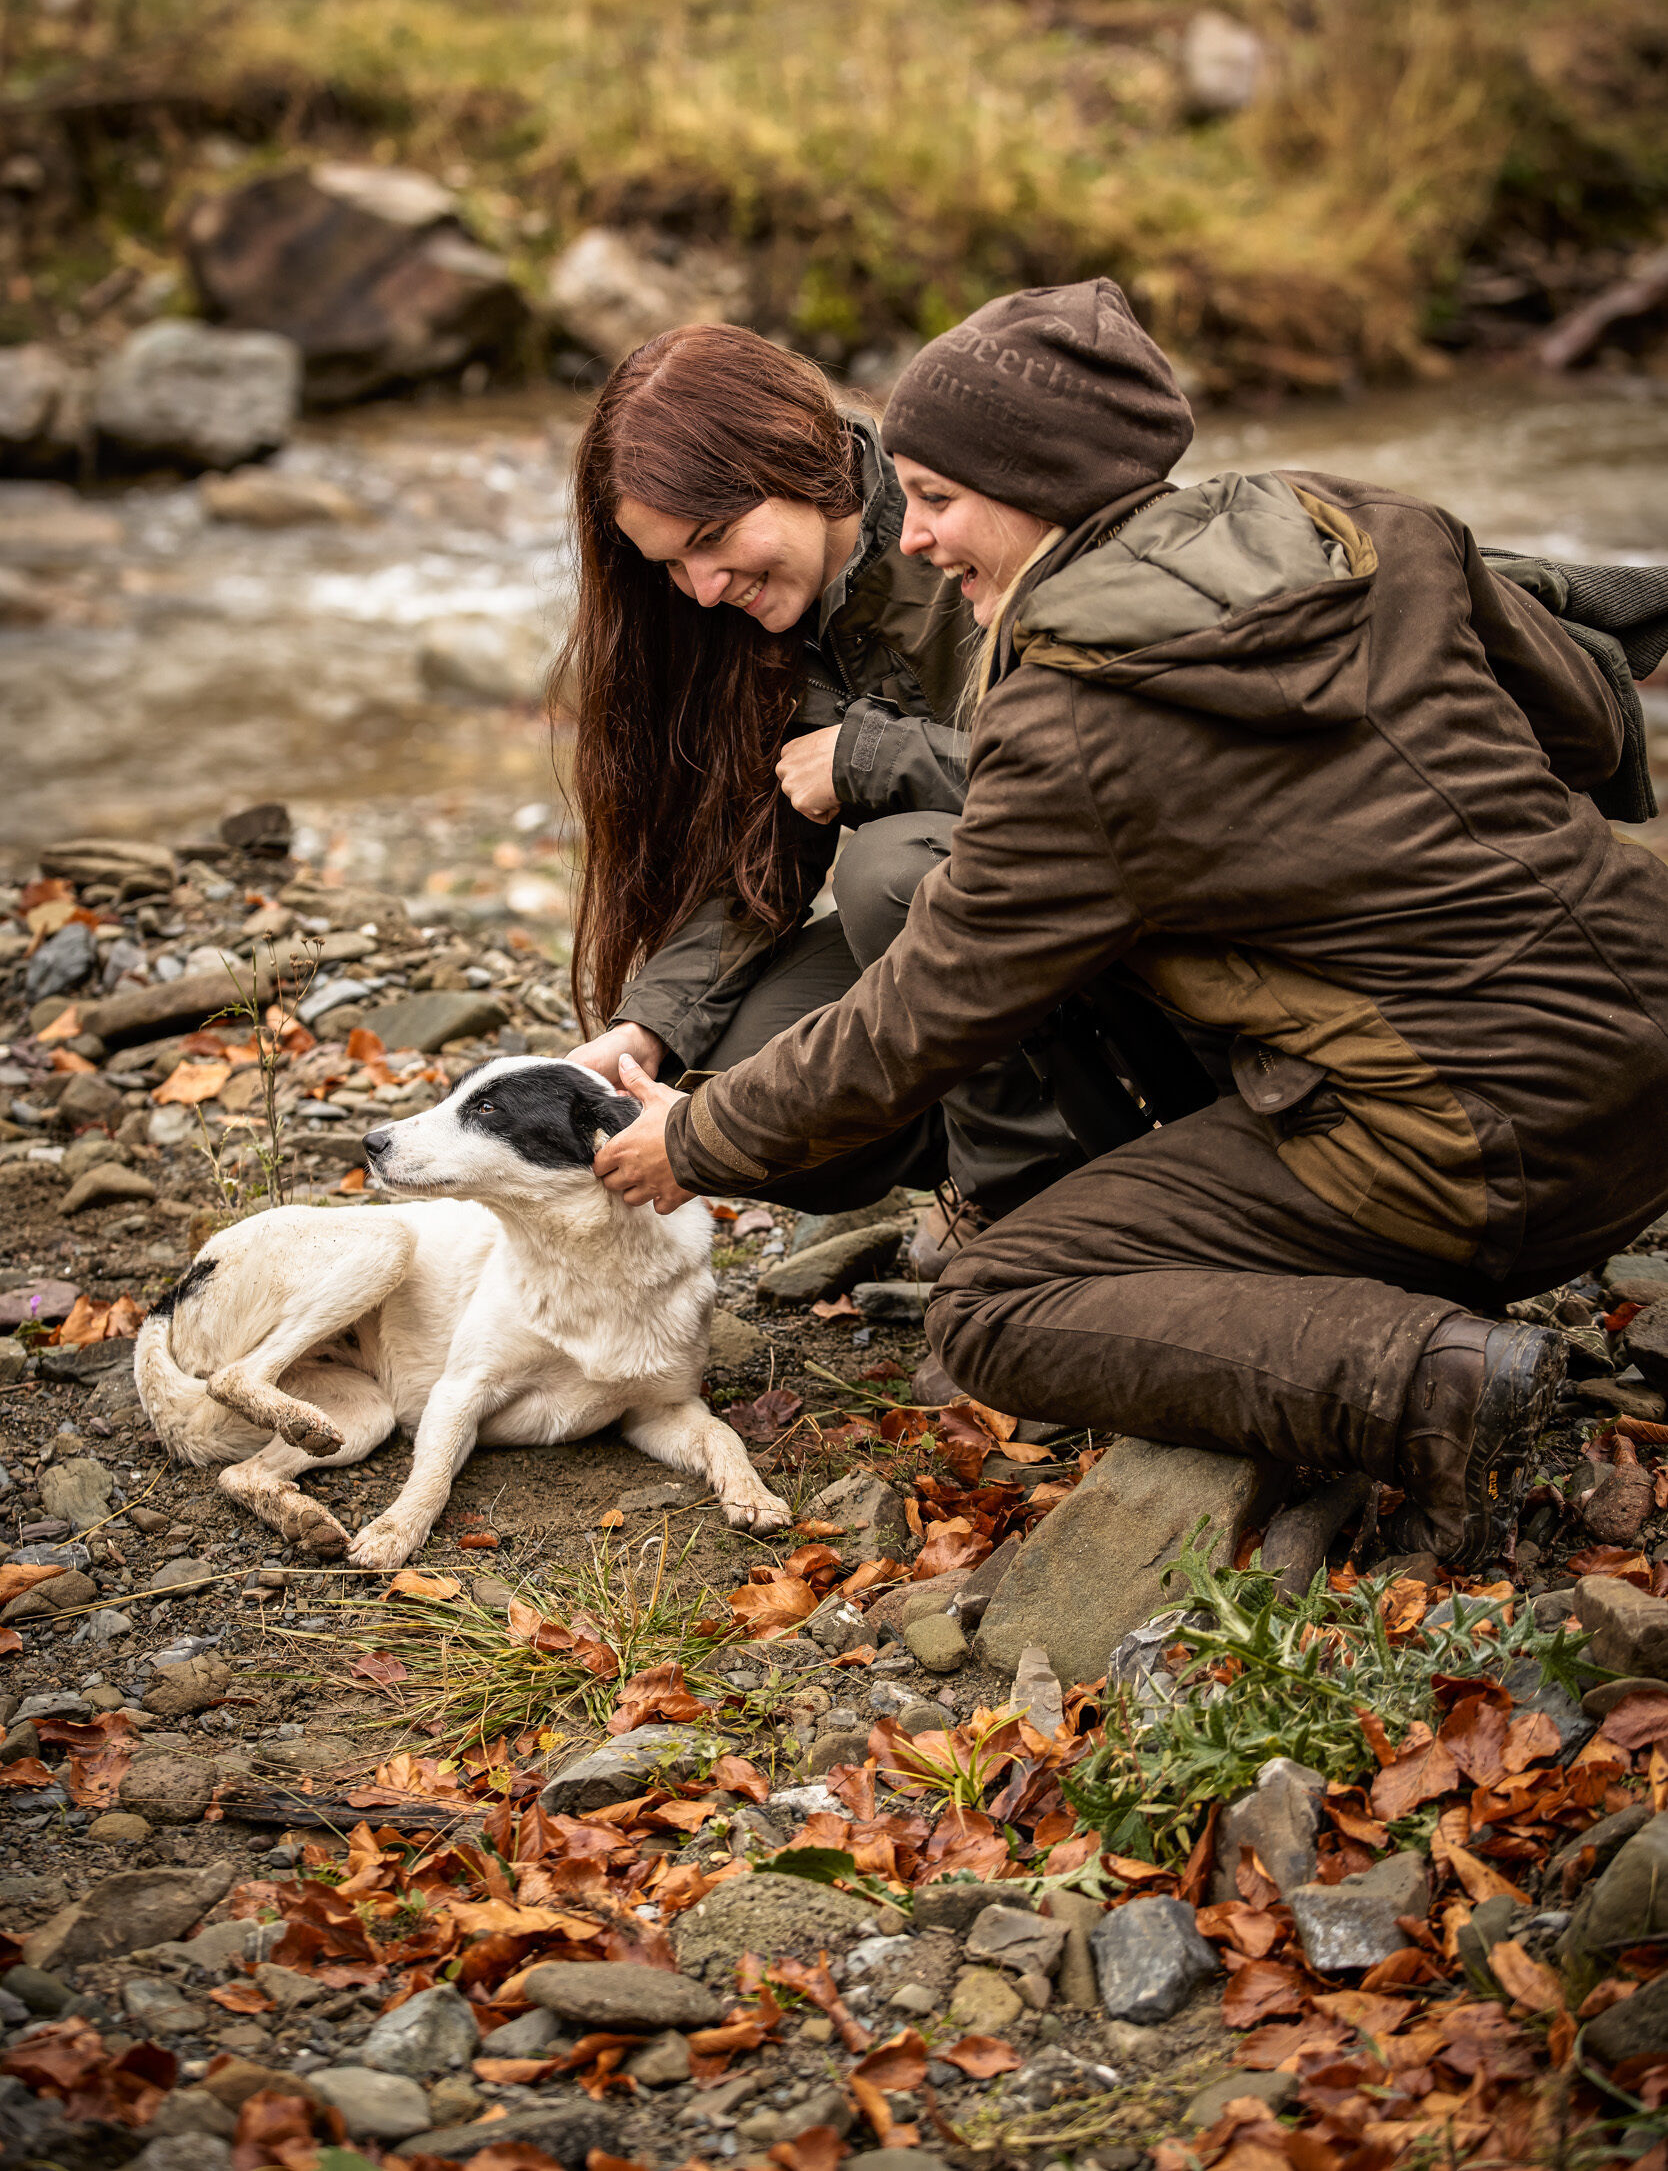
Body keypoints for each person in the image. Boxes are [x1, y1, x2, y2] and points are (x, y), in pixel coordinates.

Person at [592, 278, 1668, 1562]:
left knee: (995, 1308)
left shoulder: (1064, 716)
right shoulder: (1359, 514)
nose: (917, 537)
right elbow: (1594, 727)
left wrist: (699, 1143)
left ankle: (1437, 1380)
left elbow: (927, 1005)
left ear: (1035, 484)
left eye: (935, 501)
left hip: (1480, 1152)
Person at [555, 320, 1077, 1221]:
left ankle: (1034, 1218)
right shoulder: (754, 620)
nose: (704, 587)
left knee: (893, 876)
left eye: (714, 537)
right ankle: (1037, 1151)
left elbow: (1111, 777)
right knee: (729, 1077)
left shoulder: (970, 525)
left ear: (795, 457)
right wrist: (648, 1025)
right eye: (671, 564)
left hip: (1108, 912)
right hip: (1011, 947)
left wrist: (873, 758)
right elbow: (759, 862)